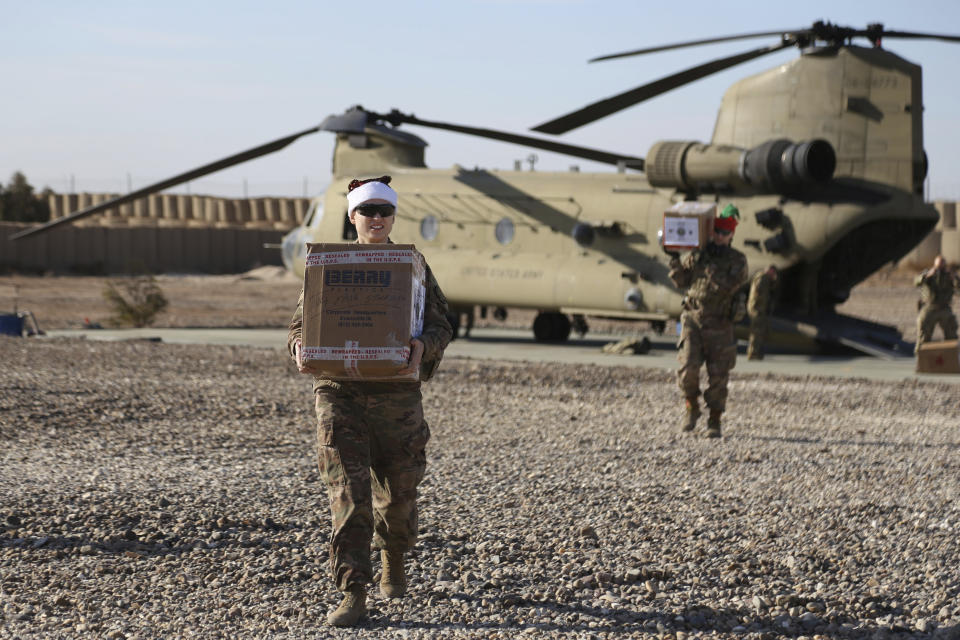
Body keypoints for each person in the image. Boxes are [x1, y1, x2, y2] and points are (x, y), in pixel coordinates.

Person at [287, 176, 453, 627]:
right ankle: (352, 592)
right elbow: (301, 326)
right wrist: (300, 349)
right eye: (367, 211)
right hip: (339, 392)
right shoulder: (329, 265)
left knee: (398, 491)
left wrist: (423, 348)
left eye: (385, 211)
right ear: (352, 216)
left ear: (394, 217)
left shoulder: (410, 265)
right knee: (348, 492)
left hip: (397, 395)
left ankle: (393, 557)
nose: (376, 219)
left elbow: (442, 325)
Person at [667, 203, 748, 438]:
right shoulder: (698, 255)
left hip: (720, 322)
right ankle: (691, 408)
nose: (720, 237)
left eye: (725, 233)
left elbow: (729, 286)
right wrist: (674, 260)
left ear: (732, 235)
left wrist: (710, 268)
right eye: (717, 232)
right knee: (687, 368)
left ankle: (714, 419)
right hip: (693, 317)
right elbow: (681, 281)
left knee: (718, 375)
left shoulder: (738, 260)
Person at [915, 255, 959, 351]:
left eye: (942, 266)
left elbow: (958, 288)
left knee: (952, 334)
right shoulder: (928, 274)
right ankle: (921, 356)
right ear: (934, 265)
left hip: (944, 308)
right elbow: (916, 282)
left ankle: (953, 358)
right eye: (938, 266)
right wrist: (927, 275)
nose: (939, 269)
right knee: (923, 334)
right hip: (929, 307)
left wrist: (954, 278)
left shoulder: (949, 276)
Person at [747, 265, 779, 360]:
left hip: (758, 308)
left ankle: (755, 352)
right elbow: (758, 293)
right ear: (770, 270)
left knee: (758, 331)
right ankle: (752, 353)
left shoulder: (763, 277)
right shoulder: (762, 278)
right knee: (756, 332)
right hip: (757, 309)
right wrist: (757, 308)